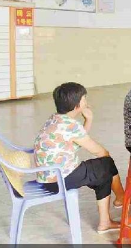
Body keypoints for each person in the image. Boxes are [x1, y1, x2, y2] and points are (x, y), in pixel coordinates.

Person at [34, 82, 125, 234]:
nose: (86, 101)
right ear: (77, 106)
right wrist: (106, 159)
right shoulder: (71, 125)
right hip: (60, 180)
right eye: (84, 99)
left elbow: (76, 141)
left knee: (102, 170)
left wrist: (88, 120)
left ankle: (117, 202)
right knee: (105, 165)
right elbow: (100, 151)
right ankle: (116, 205)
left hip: (47, 179)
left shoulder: (54, 119)